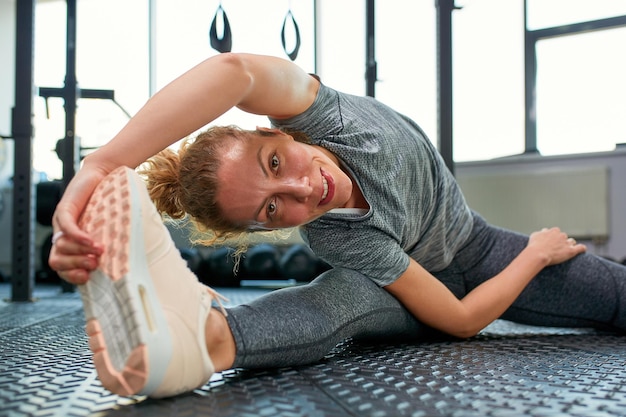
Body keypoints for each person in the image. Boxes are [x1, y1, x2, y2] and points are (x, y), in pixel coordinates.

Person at [48, 53, 626, 399]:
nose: (301, 190)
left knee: (616, 295)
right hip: (424, 296)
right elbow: (459, 320)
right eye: (272, 210)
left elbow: (235, 71)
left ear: (277, 129)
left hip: (477, 248)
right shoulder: (340, 236)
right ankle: (205, 339)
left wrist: (102, 163)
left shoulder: (326, 113)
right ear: (263, 230)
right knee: (346, 293)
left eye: (275, 164)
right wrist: (536, 254)